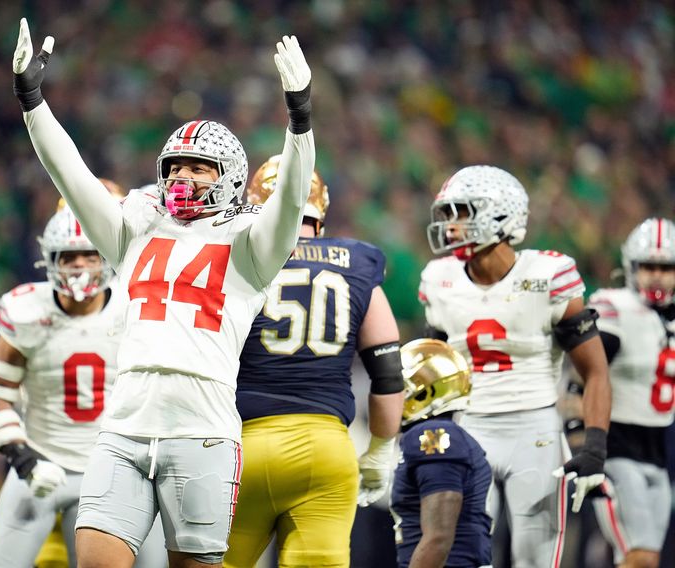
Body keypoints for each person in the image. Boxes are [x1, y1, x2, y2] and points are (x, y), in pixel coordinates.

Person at [11, 17, 315, 568]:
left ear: (228, 176)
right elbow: (72, 176)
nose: (183, 177)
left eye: (199, 168)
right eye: (175, 166)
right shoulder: (134, 229)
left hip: (201, 435)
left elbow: (291, 201)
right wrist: (33, 102)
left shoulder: (249, 243)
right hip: (124, 427)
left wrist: (300, 120)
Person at [420, 165, 611, 567]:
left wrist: (594, 446)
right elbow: (432, 373)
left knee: (535, 560)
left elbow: (594, 369)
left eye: (462, 213)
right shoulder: (440, 280)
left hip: (535, 432)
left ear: (501, 214)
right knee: (465, 557)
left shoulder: (547, 275)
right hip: (468, 429)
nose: (451, 226)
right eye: (448, 215)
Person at [224, 156, 404, 567]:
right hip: (325, 451)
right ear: (319, 214)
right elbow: (389, 373)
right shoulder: (357, 262)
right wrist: (379, 450)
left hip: (240, 447)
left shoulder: (234, 259)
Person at [0, 203, 126, 567]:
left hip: (108, 472)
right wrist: (23, 458)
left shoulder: (131, 305)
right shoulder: (29, 309)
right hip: (40, 467)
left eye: (89, 255)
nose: (79, 265)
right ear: (50, 260)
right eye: (69, 256)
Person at [588, 217, 675, 568]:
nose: (656, 276)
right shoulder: (615, 307)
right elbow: (586, 373)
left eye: (666, 268)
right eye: (648, 266)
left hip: (659, 454)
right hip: (617, 449)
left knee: (645, 558)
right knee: (639, 557)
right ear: (631, 267)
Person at [390, 338, 491, 568]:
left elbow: (438, 538)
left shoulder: (433, 436)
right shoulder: (441, 435)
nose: (389, 394)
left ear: (424, 393)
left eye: (400, 387)